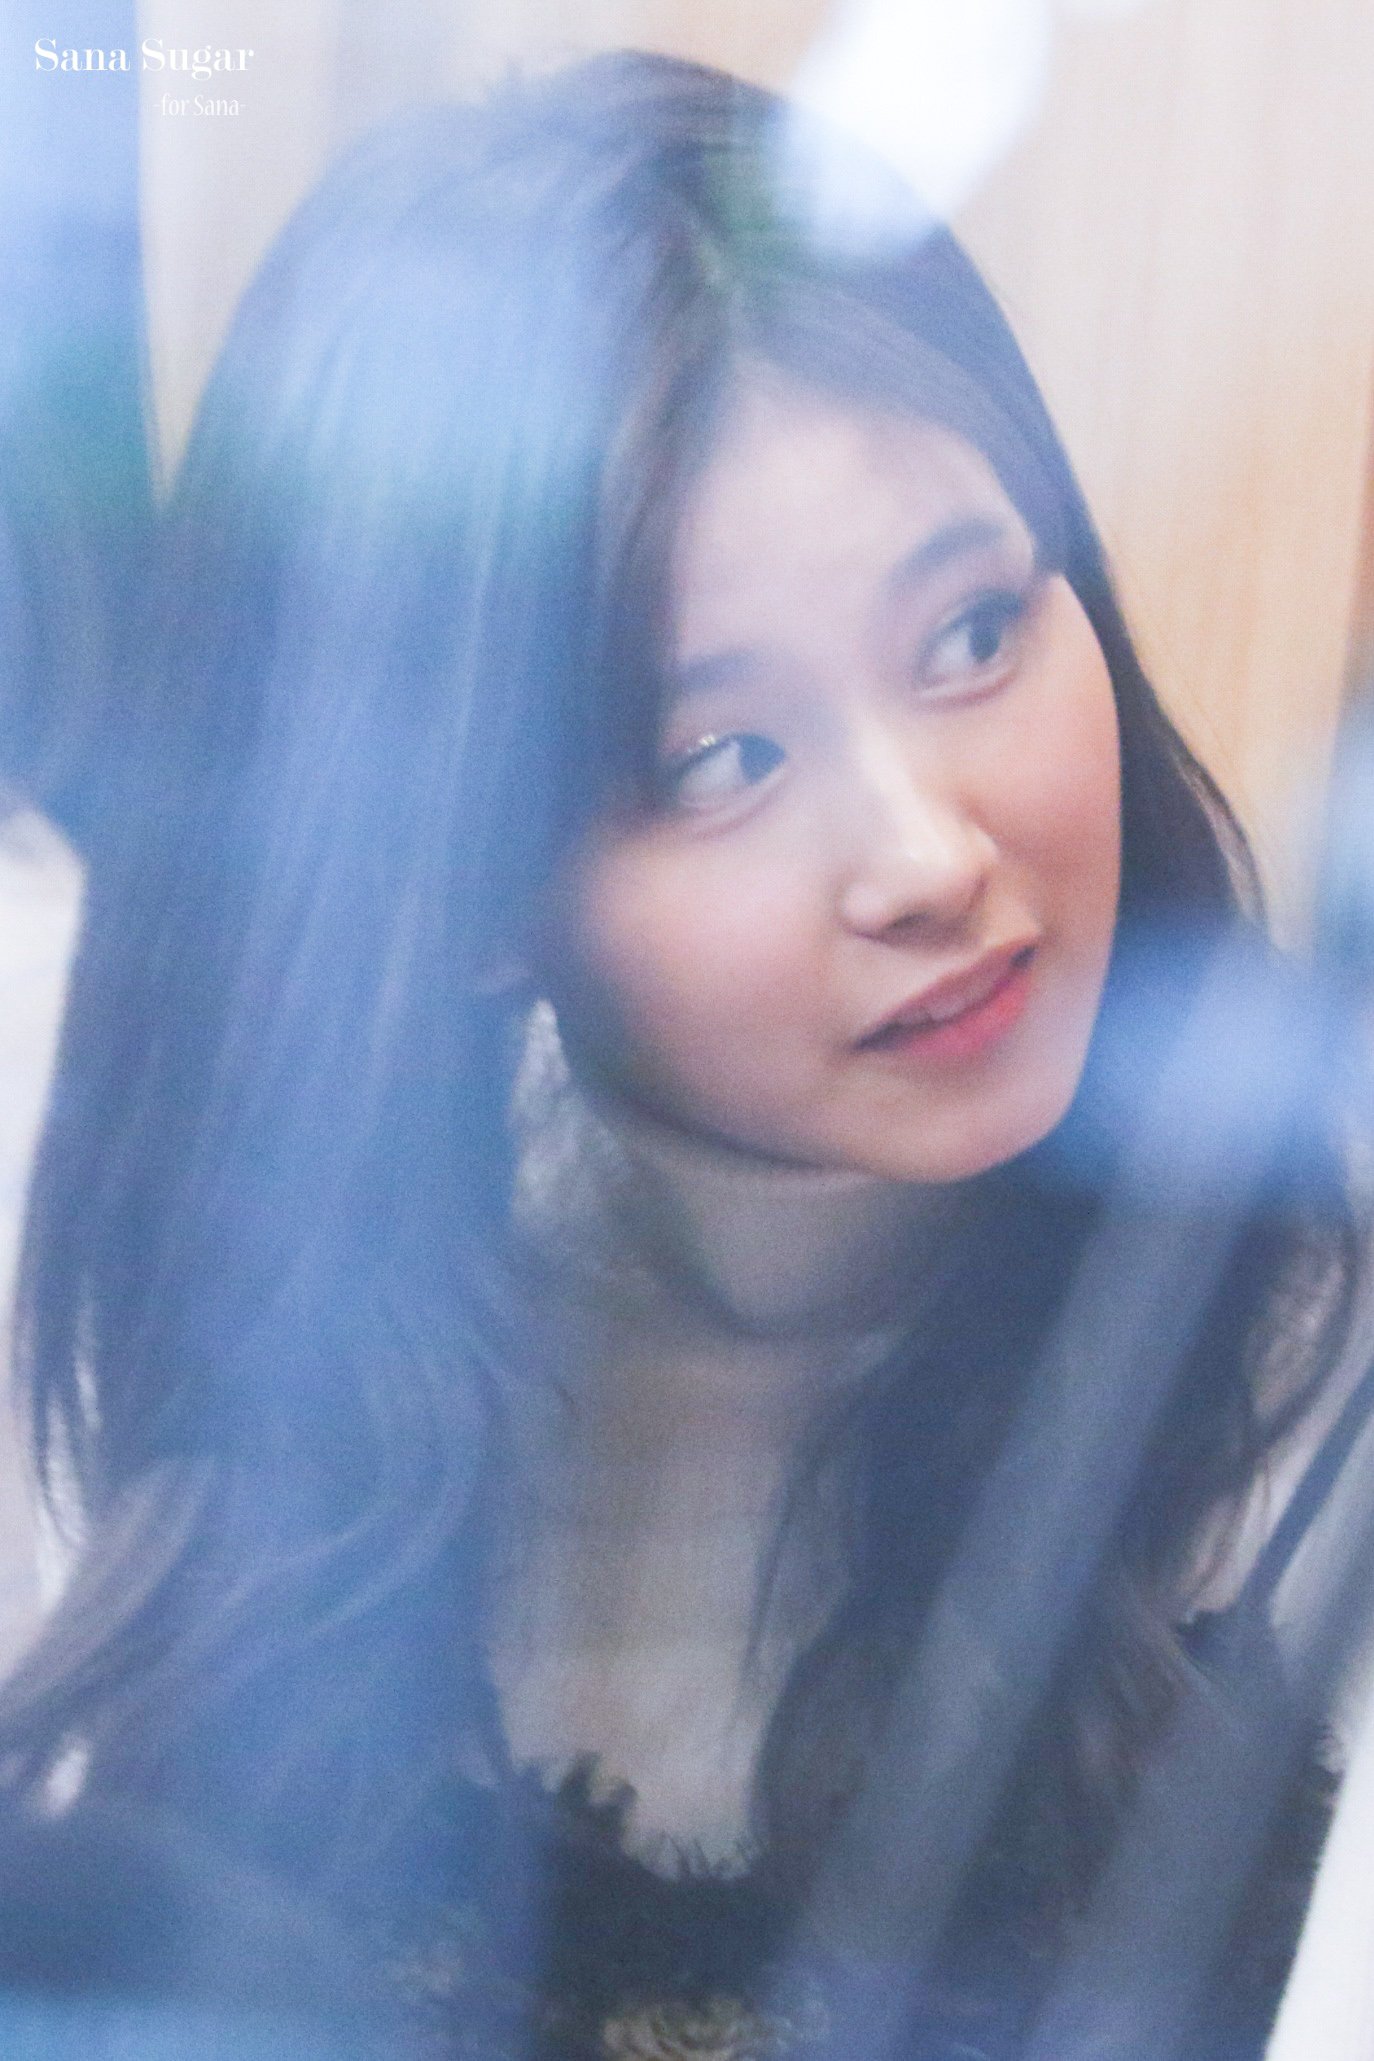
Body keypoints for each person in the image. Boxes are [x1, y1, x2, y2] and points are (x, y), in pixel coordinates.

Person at [0, 50, 1362, 2061]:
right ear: (461, 882)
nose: (928, 854)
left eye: (971, 632)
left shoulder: (1313, 1370)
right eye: (721, 756)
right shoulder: (288, 1389)